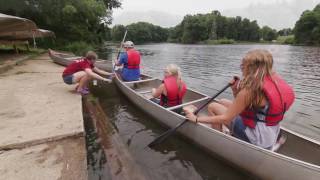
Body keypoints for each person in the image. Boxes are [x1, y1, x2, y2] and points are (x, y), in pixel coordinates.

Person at [184, 49, 295, 149]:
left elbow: (225, 119)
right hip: (270, 132)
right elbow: (244, 104)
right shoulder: (273, 82)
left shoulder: (250, 90)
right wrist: (234, 90)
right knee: (223, 102)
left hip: (257, 137)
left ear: (251, 68)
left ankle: (218, 140)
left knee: (213, 106)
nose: (241, 67)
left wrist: (196, 119)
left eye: (243, 65)